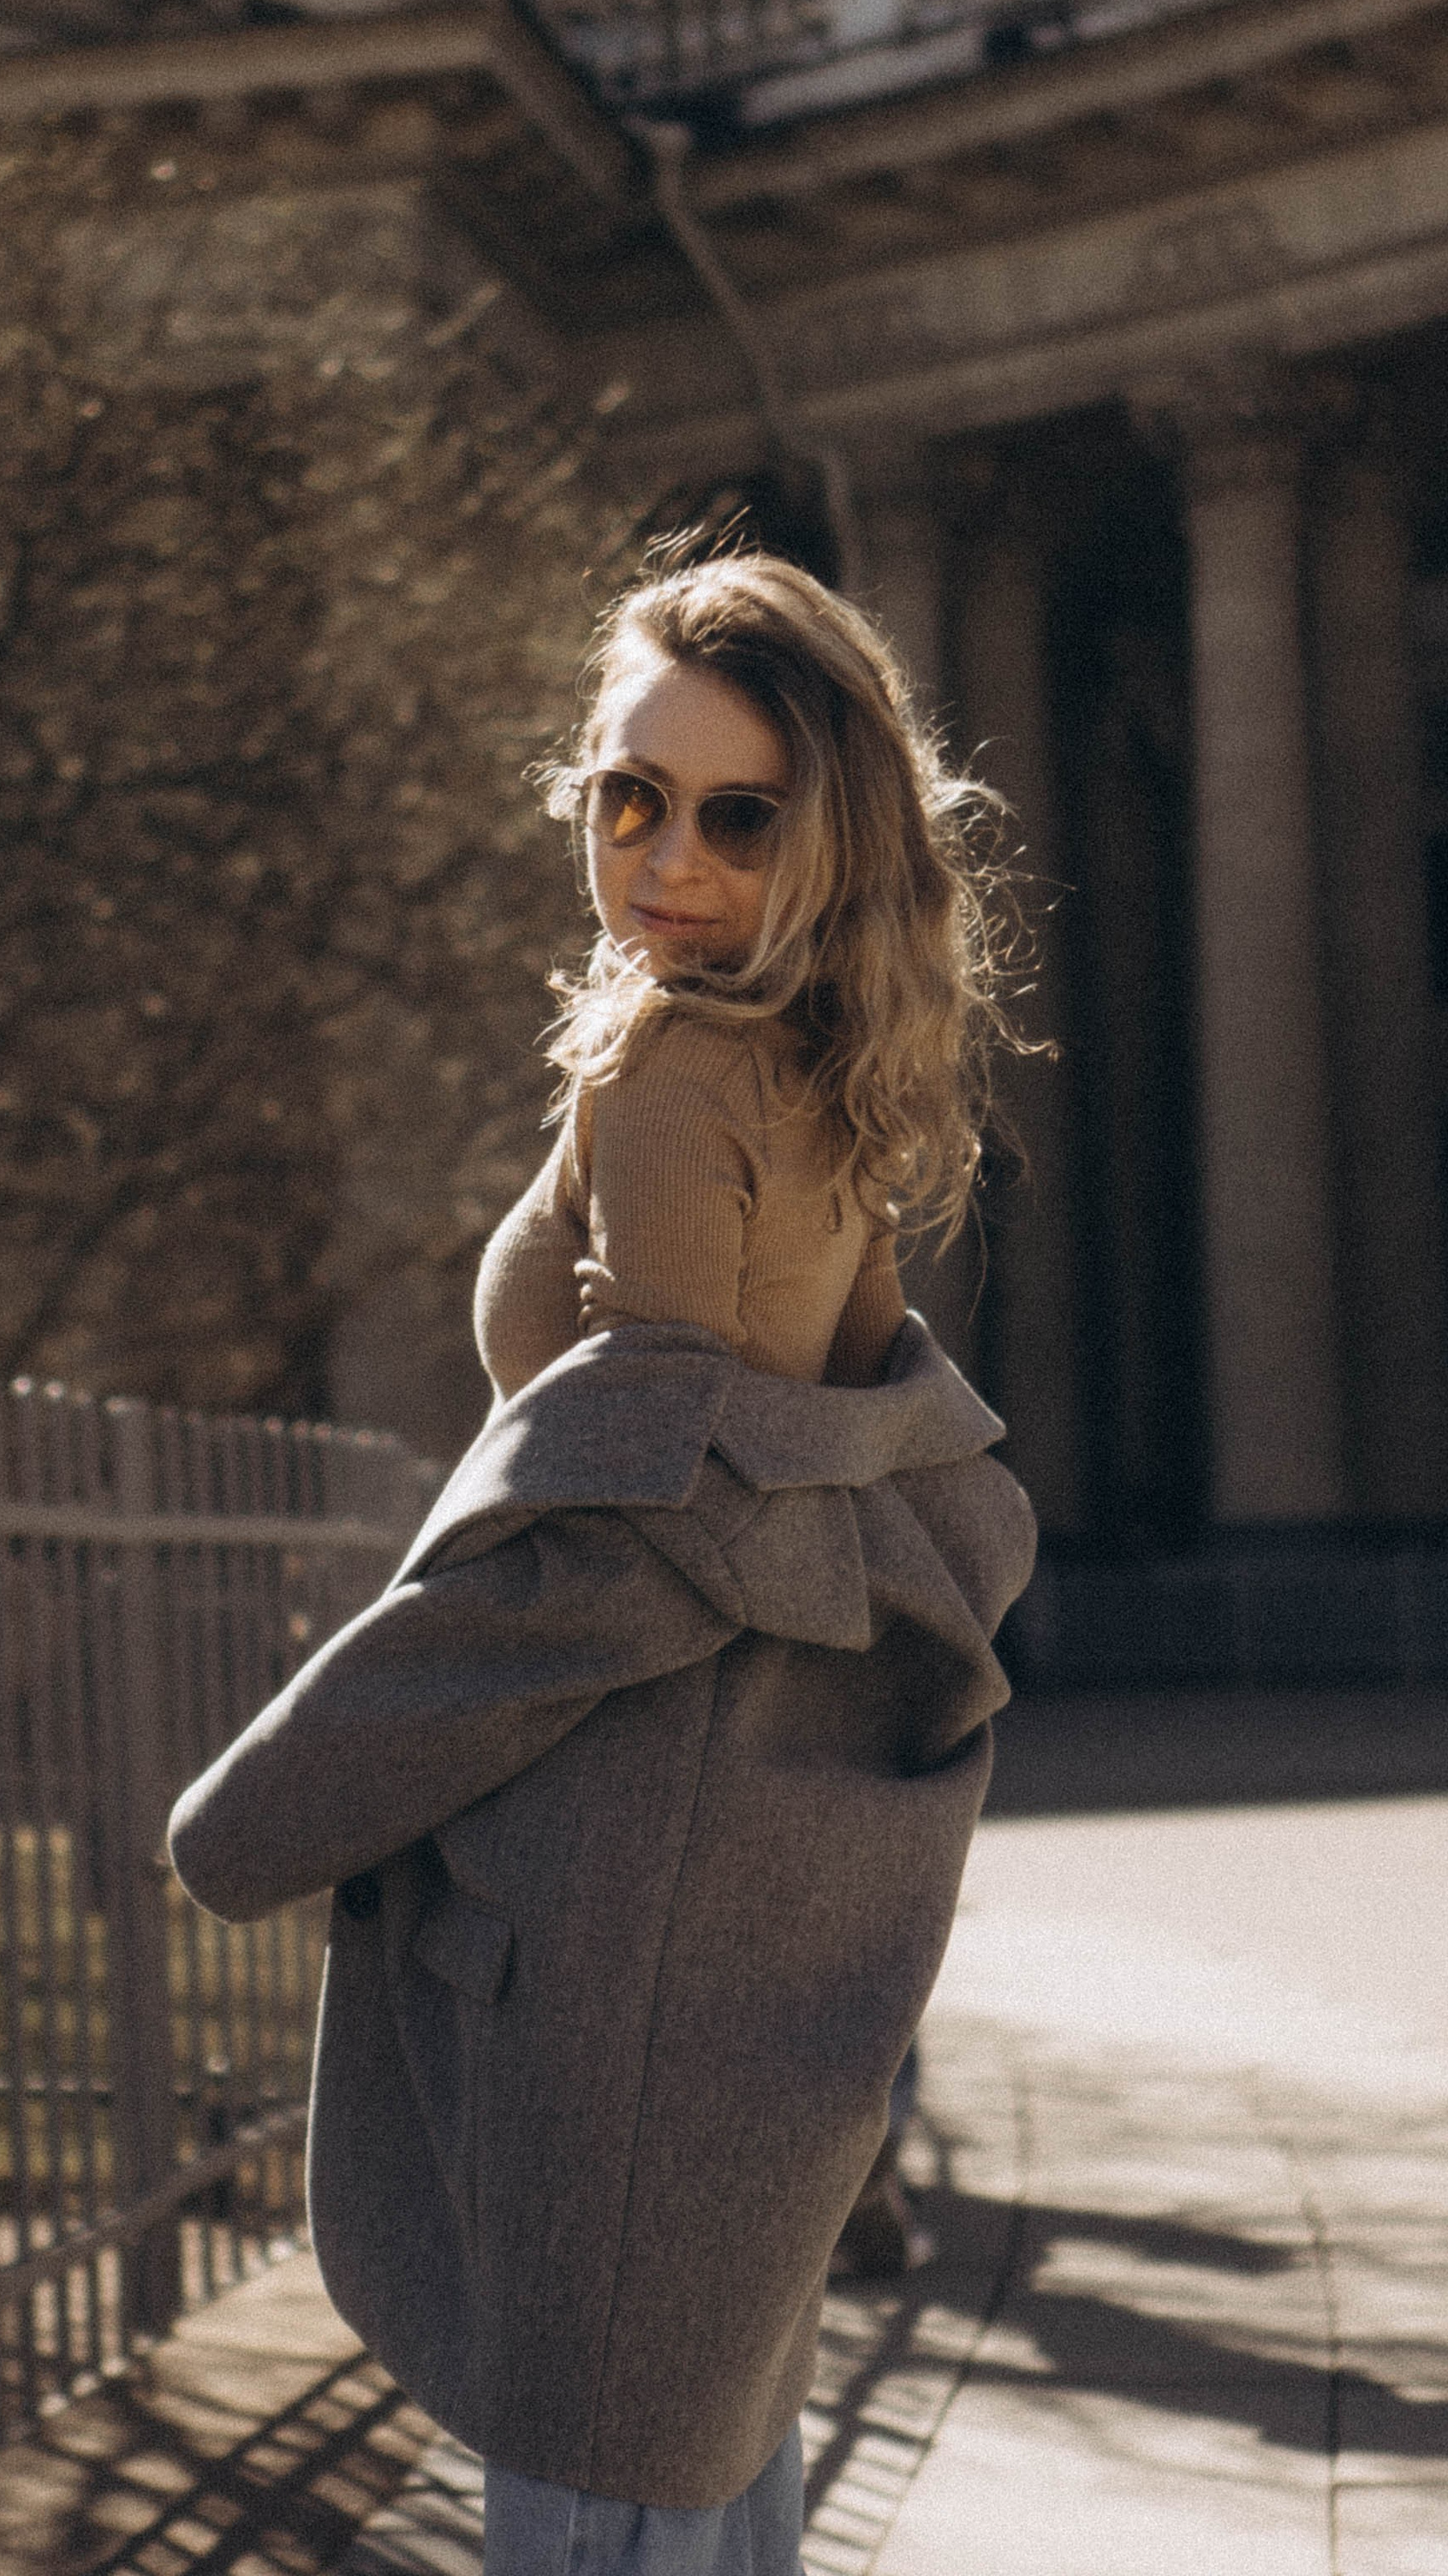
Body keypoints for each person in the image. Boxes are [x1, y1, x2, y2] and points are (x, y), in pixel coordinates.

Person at [170, 550, 1037, 2576]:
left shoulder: (669, 1074)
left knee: (590, 2484)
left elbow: (622, 1534)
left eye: (736, 815)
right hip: (761, 1878)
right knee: (708, 2459)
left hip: (628, 1894)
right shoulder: (823, 1071)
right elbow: (862, 1440)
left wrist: (268, 1803)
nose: (667, 860)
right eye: (625, 799)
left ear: (828, 834)